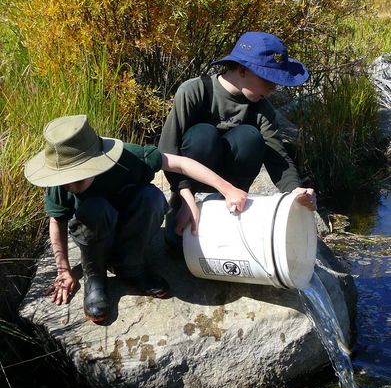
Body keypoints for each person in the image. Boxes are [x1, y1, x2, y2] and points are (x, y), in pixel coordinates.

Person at [24, 115, 248, 323]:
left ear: (96, 160)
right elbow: (57, 221)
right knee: (95, 208)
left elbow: (179, 163)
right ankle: (96, 278)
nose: (70, 187)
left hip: (132, 234)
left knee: (151, 197)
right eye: (65, 181)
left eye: (78, 179)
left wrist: (226, 188)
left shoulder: (128, 159)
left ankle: (132, 267)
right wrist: (63, 269)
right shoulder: (60, 185)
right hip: (95, 240)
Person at [158, 31, 316, 252]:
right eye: (268, 81)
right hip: (189, 185)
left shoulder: (262, 109)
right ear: (242, 70)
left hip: (232, 190)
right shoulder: (195, 90)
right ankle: (183, 214)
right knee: (203, 135)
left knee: (249, 137)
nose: (273, 89)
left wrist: (297, 191)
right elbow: (167, 150)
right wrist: (185, 196)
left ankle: (230, 213)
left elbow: (277, 157)